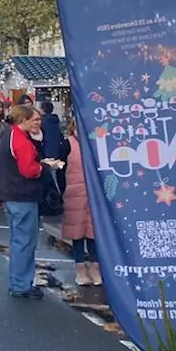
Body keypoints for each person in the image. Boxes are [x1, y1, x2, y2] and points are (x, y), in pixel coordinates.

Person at [0, 104, 49, 299]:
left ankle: (19, 282)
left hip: (10, 193)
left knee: (19, 240)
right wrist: (43, 167)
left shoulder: (9, 135)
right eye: (33, 119)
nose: (37, 123)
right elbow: (29, 169)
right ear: (23, 120)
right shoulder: (21, 140)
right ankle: (21, 284)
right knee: (25, 241)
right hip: (22, 194)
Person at [61, 118, 100, 286]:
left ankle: (95, 267)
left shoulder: (98, 142)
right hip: (73, 193)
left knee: (94, 233)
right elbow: (60, 169)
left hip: (94, 194)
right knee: (77, 234)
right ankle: (80, 268)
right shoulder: (67, 143)